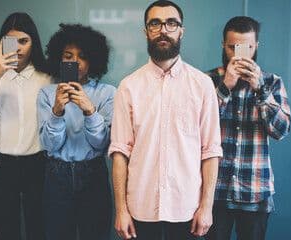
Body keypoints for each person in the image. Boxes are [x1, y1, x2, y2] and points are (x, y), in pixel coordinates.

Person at [109, 1, 223, 239]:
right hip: (140, 208)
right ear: (146, 31)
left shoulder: (202, 85)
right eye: (155, 23)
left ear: (181, 30)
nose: (163, 30)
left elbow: (211, 150)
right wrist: (121, 210)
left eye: (171, 23)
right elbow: (120, 152)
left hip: (188, 209)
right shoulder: (128, 87)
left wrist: (207, 207)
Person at [205, 16, 291, 240]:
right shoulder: (207, 81)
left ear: (256, 46)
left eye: (246, 47)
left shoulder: (272, 82)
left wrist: (261, 90)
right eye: (233, 47)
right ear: (223, 45)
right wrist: (226, 88)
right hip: (214, 192)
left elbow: (281, 131)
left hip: (255, 190)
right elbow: (195, 128)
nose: (239, 54)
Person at [0, 12, 50, 240]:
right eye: (10, 41)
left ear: (33, 42)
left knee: (39, 232)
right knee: (7, 233)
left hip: (38, 165)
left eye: (24, 41)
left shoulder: (47, 78)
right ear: (1, 43)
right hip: (2, 166)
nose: (17, 49)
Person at [38, 23, 115, 240]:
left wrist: (89, 110)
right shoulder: (47, 94)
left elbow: (102, 144)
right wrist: (57, 111)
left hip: (93, 174)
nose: (75, 62)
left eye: (82, 56)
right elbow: (50, 145)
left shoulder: (107, 93)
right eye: (68, 55)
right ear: (59, 59)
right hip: (56, 176)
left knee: (96, 234)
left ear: (93, 60)